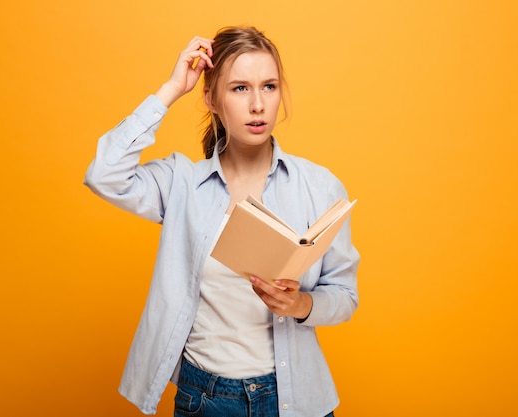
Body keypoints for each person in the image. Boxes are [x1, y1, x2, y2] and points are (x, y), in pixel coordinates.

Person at [85, 25, 360, 417]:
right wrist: (170, 90)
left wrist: (299, 303)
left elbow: (345, 297)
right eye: (239, 88)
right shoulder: (182, 183)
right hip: (206, 397)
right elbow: (104, 174)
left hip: (295, 398)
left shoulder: (318, 186)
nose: (258, 105)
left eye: (269, 86)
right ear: (212, 99)